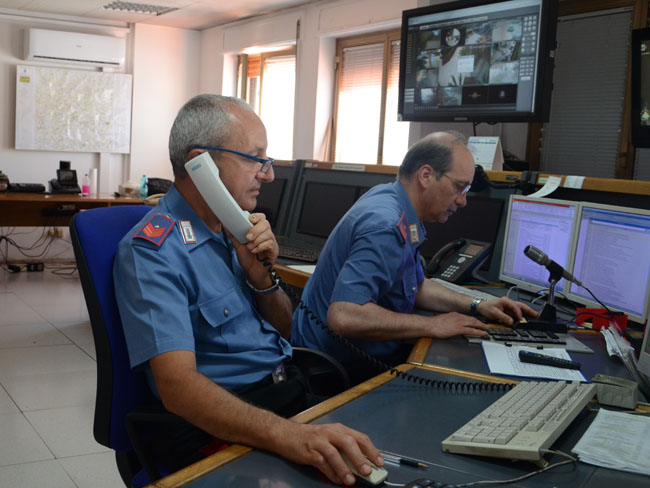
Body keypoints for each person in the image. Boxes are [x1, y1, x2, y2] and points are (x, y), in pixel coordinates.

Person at [113, 94, 383, 486]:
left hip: (284, 394)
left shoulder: (233, 232)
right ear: (199, 163)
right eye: (255, 158)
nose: (268, 174)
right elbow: (177, 387)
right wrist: (291, 436)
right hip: (223, 428)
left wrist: (261, 279)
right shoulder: (154, 251)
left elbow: (287, 330)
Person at [291, 131, 537, 379]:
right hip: (333, 367)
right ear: (426, 176)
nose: (463, 201)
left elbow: (415, 286)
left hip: (341, 352)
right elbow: (344, 315)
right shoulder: (385, 226)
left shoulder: (393, 200)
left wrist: (477, 305)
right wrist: (432, 325)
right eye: (459, 188)